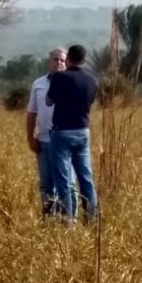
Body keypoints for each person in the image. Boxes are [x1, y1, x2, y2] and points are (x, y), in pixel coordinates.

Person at [46, 43, 99, 223]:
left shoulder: (60, 78)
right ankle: (92, 219)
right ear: (84, 60)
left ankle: (69, 221)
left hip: (62, 133)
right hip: (83, 131)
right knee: (86, 178)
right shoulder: (92, 80)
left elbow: (48, 101)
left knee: (63, 181)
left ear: (67, 59)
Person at [25, 47, 75, 216]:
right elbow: (32, 112)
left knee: (68, 183)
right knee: (46, 183)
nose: (59, 63)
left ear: (67, 62)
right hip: (44, 141)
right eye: (56, 60)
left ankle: (69, 219)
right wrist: (30, 137)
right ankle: (49, 218)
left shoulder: (72, 82)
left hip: (65, 141)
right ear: (49, 62)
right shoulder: (39, 84)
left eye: (62, 60)